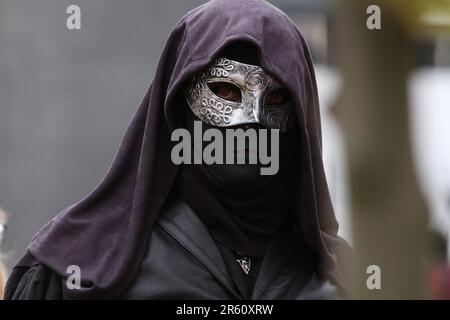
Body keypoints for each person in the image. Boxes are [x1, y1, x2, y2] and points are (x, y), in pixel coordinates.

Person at [5, 0, 350, 300]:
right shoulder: (78, 270)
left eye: (276, 98)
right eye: (226, 93)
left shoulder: (341, 279)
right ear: (177, 103)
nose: (251, 122)